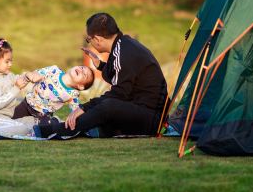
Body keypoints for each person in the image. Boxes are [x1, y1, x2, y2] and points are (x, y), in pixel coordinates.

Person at [34, 13, 167, 138]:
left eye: (89, 39)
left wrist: (83, 108)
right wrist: (100, 65)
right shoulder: (124, 45)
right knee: (106, 108)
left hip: (152, 118)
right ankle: (98, 130)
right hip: (143, 110)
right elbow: (118, 77)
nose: (89, 42)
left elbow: (120, 94)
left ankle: (57, 130)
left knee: (108, 106)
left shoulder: (123, 52)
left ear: (97, 39)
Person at [12, 65, 95, 125]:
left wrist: (76, 120)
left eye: (84, 75)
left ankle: (54, 122)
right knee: (11, 120)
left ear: (80, 86)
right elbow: (37, 73)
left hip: (43, 114)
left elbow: (75, 111)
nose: (81, 70)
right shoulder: (54, 70)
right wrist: (33, 76)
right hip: (28, 103)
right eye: (82, 67)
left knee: (44, 129)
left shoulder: (73, 94)